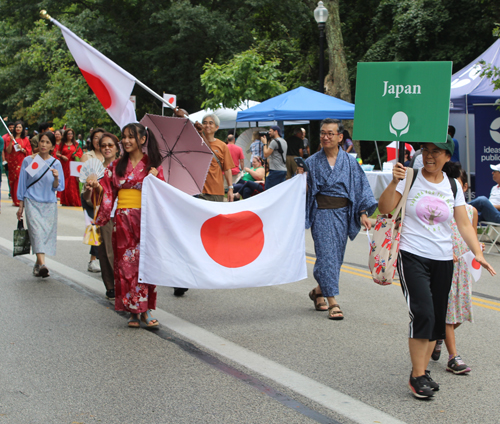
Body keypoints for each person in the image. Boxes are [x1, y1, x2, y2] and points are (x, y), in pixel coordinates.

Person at [378, 137, 495, 399]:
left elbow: (464, 223)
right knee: (423, 312)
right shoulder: (409, 176)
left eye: (436, 152)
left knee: (437, 321)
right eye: (425, 150)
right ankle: (417, 375)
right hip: (411, 255)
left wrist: (478, 253)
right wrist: (395, 181)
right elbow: (384, 209)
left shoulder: (452, 185)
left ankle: (421, 371)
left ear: (447, 156)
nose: (429, 156)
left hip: (443, 259)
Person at [298, 119, 377, 320]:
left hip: (343, 214)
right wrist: (301, 178)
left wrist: (363, 213)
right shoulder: (313, 162)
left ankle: (318, 292)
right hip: (322, 213)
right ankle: (333, 301)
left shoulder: (350, 162)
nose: (325, 137)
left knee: (336, 258)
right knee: (326, 257)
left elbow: (361, 189)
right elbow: (305, 192)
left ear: (340, 137)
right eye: (323, 133)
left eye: (330, 133)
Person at [91, 123, 164, 328]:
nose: (126, 141)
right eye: (124, 137)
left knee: (145, 264)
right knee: (125, 265)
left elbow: (164, 194)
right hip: (122, 221)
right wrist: (96, 186)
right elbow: (106, 192)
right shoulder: (116, 165)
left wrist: (157, 180)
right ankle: (132, 310)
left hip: (145, 219)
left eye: (131, 137)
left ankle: (146, 310)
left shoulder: (153, 164)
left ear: (142, 140)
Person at [173, 113, 235, 298]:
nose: (207, 126)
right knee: (191, 234)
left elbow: (227, 169)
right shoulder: (195, 142)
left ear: (216, 128)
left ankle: (205, 270)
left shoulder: (222, 146)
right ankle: (182, 279)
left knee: (211, 234)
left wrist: (230, 188)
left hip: (215, 194)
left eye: (211, 124)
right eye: (205, 123)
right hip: (196, 192)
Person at [431, 167, 477, 375]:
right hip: (445, 265)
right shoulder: (440, 209)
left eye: (457, 184)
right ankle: (453, 357)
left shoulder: (471, 211)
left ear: (465, 187)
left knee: (460, 314)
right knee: (448, 314)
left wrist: (478, 249)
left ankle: (439, 335)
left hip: (463, 269)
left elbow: (471, 234)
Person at [16, 131, 64, 277]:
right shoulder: (30, 161)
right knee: (36, 233)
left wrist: (56, 177)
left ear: (52, 146)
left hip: (49, 202)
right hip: (32, 201)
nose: (43, 145)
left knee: (44, 235)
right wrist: (20, 205)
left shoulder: (56, 163)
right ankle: (43, 264)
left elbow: (58, 187)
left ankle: (38, 264)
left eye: (47, 142)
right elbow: (24, 183)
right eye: (42, 141)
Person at [82, 132, 119, 299]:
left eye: (110, 145)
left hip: (121, 214)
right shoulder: (95, 170)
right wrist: (90, 190)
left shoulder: (123, 169)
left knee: (117, 252)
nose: (107, 148)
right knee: (104, 252)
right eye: (103, 145)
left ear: (117, 148)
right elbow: (88, 200)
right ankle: (110, 285)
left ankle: (121, 284)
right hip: (102, 215)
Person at [81, 128, 106, 272]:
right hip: (89, 196)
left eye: (101, 138)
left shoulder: (110, 156)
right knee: (93, 225)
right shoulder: (87, 156)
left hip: (104, 196)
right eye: (96, 138)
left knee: (102, 227)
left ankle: (100, 257)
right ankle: (93, 260)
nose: (99, 140)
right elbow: (81, 175)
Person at [4, 120, 32, 207]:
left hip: (22, 162)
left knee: (20, 179)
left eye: (20, 127)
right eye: (17, 127)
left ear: (22, 129)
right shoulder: (10, 138)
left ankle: (20, 200)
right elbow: (8, 151)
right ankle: (14, 199)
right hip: (12, 162)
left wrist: (22, 149)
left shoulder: (26, 139)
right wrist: (11, 141)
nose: (18, 129)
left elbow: (29, 151)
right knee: (13, 180)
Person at [57, 128, 83, 206]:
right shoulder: (62, 144)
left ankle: (73, 201)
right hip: (64, 165)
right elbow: (57, 153)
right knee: (65, 181)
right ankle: (65, 201)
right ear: (66, 135)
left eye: (71, 134)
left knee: (73, 182)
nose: (70, 135)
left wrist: (75, 155)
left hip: (73, 165)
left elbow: (80, 153)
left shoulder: (76, 144)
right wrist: (62, 156)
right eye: (69, 134)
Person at [262, 125, 287, 189]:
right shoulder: (284, 141)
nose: (269, 133)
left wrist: (265, 143)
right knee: (280, 190)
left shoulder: (274, 142)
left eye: (270, 131)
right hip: (283, 170)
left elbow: (266, 154)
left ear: (276, 131)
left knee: (268, 189)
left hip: (275, 170)